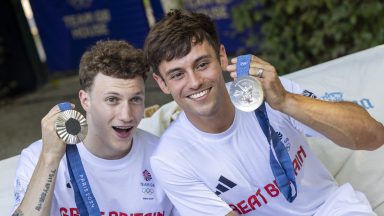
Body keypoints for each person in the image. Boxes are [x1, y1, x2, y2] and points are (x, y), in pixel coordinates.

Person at [143, 9, 384, 216]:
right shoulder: (170, 159)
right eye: (177, 74)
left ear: (222, 57)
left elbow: (373, 136)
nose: (194, 82)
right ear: (161, 83)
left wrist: (286, 101)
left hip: (332, 209)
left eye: (202, 64)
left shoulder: (269, 91)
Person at [12, 40, 178, 215]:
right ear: (85, 100)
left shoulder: (164, 158)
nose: (126, 115)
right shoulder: (39, 158)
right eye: (112, 100)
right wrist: (50, 158)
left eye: (135, 99)